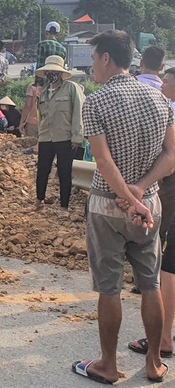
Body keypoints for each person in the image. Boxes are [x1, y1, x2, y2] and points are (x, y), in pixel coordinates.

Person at [72, 30, 174, 385]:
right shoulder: (159, 98)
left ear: (105, 59)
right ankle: (153, 363)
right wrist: (141, 193)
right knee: (150, 284)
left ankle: (109, 365)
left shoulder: (96, 102)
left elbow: (102, 160)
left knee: (110, 288)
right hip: (150, 205)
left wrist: (127, 199)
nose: (92, 65)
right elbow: (171, 155)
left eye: (94, 57)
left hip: (107, 207)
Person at [127, 66, 175, 366]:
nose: (161, 86)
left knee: (168, 265)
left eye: (166, 82)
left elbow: (170, 160)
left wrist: (141, 186)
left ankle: (164, 339)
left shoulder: (169, 112)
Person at [33, 55, 84, 212]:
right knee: (42, 169)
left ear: (61, 73)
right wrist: (38, 137)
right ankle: (38, 201)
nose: (51, 74)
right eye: (48, 71)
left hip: (65, 137)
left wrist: (77, 136)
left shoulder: (71, 88)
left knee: (64, 172)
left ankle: (64, 206)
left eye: (54, 71)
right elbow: (41, 116)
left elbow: (78, 113)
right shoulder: (43, 92)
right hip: (46, 136)